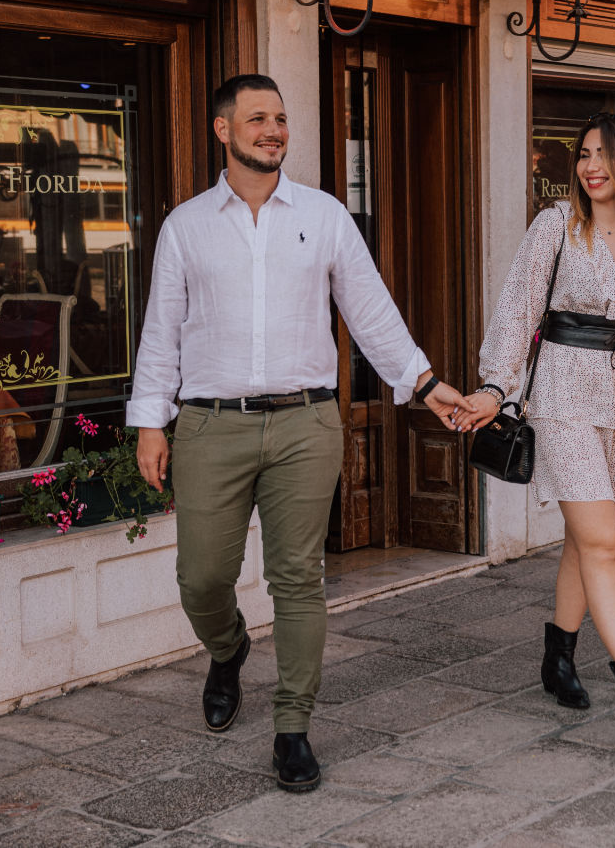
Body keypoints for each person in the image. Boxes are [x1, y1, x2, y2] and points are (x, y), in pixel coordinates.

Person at [128, 74, 471, 792]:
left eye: (280, 118)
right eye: (257, 119)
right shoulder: (186, 225)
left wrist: (424, 383)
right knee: (202, 577)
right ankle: (227, 651)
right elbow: (160, 332)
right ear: (223, 130)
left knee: (298, 579)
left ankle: (293, 726)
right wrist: (149, 422)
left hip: (307, 423)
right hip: (211, 426)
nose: (273, 130)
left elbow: (371, 311)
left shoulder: (324, 215)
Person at [457, 111, 615, 736]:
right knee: (604, 543)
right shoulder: (555, 226)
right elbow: (517, 311)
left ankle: (557, 659)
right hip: (564, 392)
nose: (590, 166)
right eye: (583, 154)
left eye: (602, 154)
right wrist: (493, 386)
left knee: (587, 539)